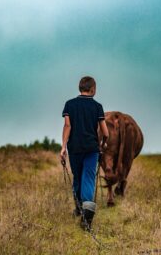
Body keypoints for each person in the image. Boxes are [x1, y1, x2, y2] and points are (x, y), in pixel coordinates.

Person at [60, 76, 109, 230]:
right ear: (93, 89)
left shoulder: (69, 104)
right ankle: (86, 215)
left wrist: (63, 147)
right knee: (88, 177)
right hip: (91, 149)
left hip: (74, 149)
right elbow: (105, 132)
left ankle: (79, 208)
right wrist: (103, 143)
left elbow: (67, 126)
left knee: (77, 178)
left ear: (80, 88)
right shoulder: (97, 106)